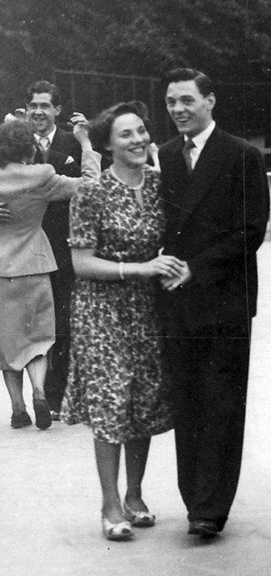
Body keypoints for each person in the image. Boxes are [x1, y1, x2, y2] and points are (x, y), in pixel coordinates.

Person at [157, 68, 269, 539]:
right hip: (174, 303)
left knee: (222, 404)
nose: (179, 110)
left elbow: (252, 230)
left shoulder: (242, 155)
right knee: (187, 403)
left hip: (224, 299)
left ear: (210, 101)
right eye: (171, 102)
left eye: (187, 100)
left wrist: (195, 268)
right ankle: (193, 497)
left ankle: (210, 507)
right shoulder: (161, 156)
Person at [64, 102, 184, 541]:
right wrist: (140, 269)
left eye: (141, 132)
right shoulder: (90, 192)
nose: (137, 141)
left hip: (148, 308)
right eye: (125, 135)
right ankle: (110, 502)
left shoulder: (158, 184)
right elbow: (80, 262)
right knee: (112, 398)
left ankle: (135, 494)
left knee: (144, 400)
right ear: (107, 144)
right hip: (101, 309)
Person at [0, 118, 97, 431]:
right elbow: (90, 185)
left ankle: (17, 406)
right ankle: (40, 392)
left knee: (6, 339)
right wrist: (86, 146)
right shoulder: (41, 175)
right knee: (39, 337)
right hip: (36, 264)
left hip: (1, 269)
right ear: (30, 150)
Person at [26, 81, 86, 419]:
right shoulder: (12, 144)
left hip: (64, 246)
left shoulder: (72, 143)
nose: (38, 111)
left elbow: (93, 183)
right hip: (27, 247)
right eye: (33, 105)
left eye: (45, 105)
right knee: (34, 324)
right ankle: (34, 396)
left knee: (63, 321)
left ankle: (57, 395)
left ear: (57, 110)